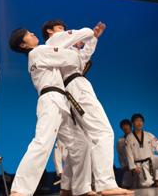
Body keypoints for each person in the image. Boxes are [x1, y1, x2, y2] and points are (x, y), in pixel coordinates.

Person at [42, 20, 133, 195]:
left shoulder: (64, 49)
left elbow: (83, 58)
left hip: (76, 85)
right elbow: (79, 34)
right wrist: (88, 34)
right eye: (61, 28)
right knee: (103, 132)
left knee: (82, 139)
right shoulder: (53, 41)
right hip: (76, 86)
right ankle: (106, 184)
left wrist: (93, 39)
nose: (64, 31)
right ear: (50, 31)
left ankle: (67, 187)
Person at [9, 28, 94, 196]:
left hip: (59, 101)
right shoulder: (39, 51)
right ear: (23, 44)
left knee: (81, 144)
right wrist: (77, 48)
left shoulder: (37, 54)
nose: (33, 34)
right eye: (28, 34)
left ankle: (79, 188)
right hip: (51, 100)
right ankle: (20, 190)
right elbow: (69, 57)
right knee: (42, 142)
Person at [116, 119, 135, 189]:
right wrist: (123, 166)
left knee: (143, 184)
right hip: (129, 166)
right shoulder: (120, 141)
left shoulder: (137, 137)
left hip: (139, 164)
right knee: (125, 184)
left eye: (127, 125)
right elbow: (120, 155)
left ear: (130, 126)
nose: (125, 127)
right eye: (123, 126)